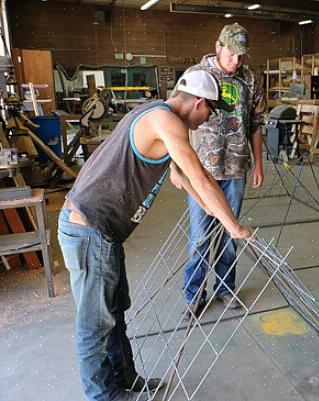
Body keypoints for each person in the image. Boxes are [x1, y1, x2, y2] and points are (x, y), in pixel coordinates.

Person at [58, 68, 253, 401]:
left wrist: (204, 204)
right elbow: (203, 176)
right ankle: (102, 397)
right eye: (209, 111)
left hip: (104, 233)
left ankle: (126, 381)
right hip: (89, 228)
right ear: (199, 102)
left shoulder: (157, 116)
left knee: (115, 313)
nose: (207, 119)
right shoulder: (166, 122)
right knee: (94, 326)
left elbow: (181, 175)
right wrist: (233, 226)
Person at [178, 22, 265, 314]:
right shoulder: (195, 76)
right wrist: (178, 167)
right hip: (202, 171)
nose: (237, 61)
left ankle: (226, 289)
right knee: (201, 236)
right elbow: (176, 119)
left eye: (242, 55)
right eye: (231, 54)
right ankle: (194, 295)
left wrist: (258, 163)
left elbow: (256, 123)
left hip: (236, 168)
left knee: (231, 235)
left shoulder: (249, 79)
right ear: (218, 47)